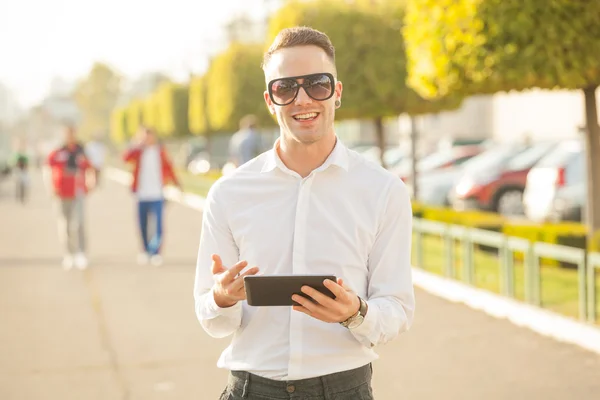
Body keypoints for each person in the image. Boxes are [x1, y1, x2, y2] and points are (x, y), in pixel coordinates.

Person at [194, 27, 414, 400]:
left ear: (337, 92)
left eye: (317, 83)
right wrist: (221, 297)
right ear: (270, 100)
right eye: (286, 88)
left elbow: (397, 309)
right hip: (251, 388)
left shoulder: (383, 191)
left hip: (344, 388)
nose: (302, 99)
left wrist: (356, 313)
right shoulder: (229, 193)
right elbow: (211, 318)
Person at [123, 127, 181, 267]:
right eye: (144, 136)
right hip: (141, 194)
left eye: (149, 136)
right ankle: (145, 251)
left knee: (158, 225)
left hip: (157, 194)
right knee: (142, 224)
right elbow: (125, 158)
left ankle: (156, 252)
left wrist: (177, 183)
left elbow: (169, 167)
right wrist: (136, 145)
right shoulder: (137, 152)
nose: (147, 139)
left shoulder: (159, 151)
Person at [47, 125, 92, 270]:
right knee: (64, 224)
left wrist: (90, 182)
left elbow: (89, 168)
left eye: (72, 133)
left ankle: (81, 253)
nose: (69, 136)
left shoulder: (81, 151)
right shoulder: (57, 152)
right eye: (67, 133)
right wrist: (50, 187)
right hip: (61, 193)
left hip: (77, 191)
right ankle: (69, 254)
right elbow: (48, 169)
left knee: (78, 223)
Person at [11, 140, 30, 204]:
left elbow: (27, 163)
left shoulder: (24, 155)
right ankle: (18, 196)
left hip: (23, 171)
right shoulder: (16, 155)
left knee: (24, 184)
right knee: (17, 184)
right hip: (17, 170)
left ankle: (23, 197)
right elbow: (13, 163)